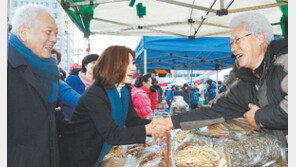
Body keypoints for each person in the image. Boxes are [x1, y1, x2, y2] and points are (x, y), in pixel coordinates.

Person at [152, 12, 288, 150]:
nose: (233, 48)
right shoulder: (246, 81)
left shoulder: (286, 61)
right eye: (231, 43)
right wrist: (170, 122)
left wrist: (259, 116)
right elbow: (213, 111)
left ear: (260, 37)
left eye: (238, 40)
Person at [60, 46, 168, 167]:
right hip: (80, 156)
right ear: (112, 65)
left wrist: (159, 124)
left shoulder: (124, 89)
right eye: (127, 63)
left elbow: (132, 120)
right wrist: (149, 129)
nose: (134, 67)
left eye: (133, 62)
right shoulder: (95, 94)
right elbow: (113, 134)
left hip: (99, 151)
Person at [7, 4, 60, 166]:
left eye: (56, 33)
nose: (54, 39)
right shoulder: (8, 68)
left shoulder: (49, 71)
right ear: (23, 32)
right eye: (48, 32)